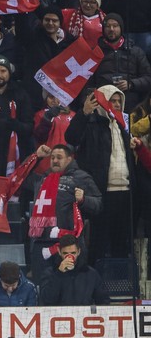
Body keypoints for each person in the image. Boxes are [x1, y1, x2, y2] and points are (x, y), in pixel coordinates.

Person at [65, 86, 134, 261]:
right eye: (113, 100)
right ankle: (98, 285)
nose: (117, 104)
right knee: (99, 242)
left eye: (120, 101)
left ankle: (120, 283)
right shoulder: (90, 123)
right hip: (101, 193)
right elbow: (71, 138)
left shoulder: (122, 125)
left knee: (121, 242)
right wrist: (84, 113)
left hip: (125, 192)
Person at [28, 144, 102, 280]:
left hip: (68, 243)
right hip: (41, 241)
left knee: (71, 282)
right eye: (52, 158)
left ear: (69, 159)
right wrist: (36, 157)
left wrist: (84, 200)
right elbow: (21, 177)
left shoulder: (81, 177)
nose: (55, 161)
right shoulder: (42, 178)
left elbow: (98, 204)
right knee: (44, 284)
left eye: (59, 157)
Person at [39, 234, 110, 306]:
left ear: (79, 251)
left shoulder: (91, 274)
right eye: (65, 253)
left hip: (83, 315)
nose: (70, 257)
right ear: (59, 251)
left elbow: (104, 301)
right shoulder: (49, 273)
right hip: (59, 316)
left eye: (73, 253)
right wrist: (59, 273)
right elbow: (46, 300)